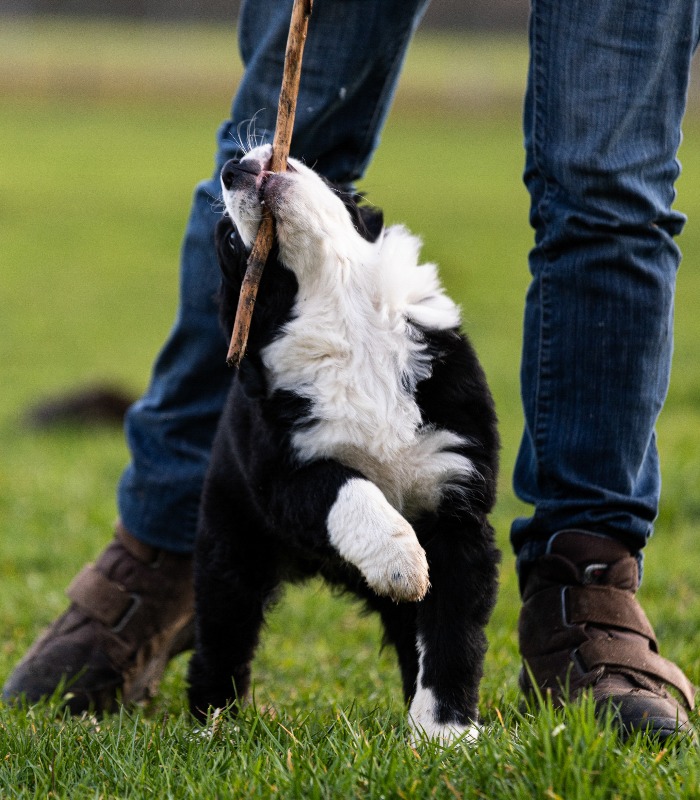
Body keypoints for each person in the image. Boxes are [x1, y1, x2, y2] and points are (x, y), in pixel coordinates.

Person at [4, 0, 696, 740]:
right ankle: (165, 538)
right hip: (283, 458)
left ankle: (586, 583)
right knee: (286, 137)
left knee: (609, 186)